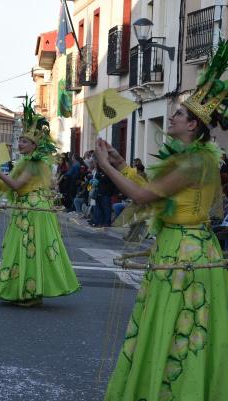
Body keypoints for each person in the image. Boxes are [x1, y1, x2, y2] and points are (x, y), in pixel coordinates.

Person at [99, 41, 228, 401]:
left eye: (179, 114)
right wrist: (122, 163)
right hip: (188, 248)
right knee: (180, 323)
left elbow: (143, 198)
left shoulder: (192, 162)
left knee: (177, 323)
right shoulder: (195, 159)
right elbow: (156, 192)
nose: (171, 117)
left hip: (182, 254)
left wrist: (107, 168)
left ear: (193, 126)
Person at [0, 97, 80, 307]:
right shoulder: (26, 161)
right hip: (25, 208)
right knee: (24, 248)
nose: (20, 143)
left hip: (33, 210)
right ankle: (25, 290)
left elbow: (17, 185)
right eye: (20, 140)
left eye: (24, 141)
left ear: (35, 145)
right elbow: (13, 188)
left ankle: (30, 292)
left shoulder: (34, 162)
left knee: (31, 249)